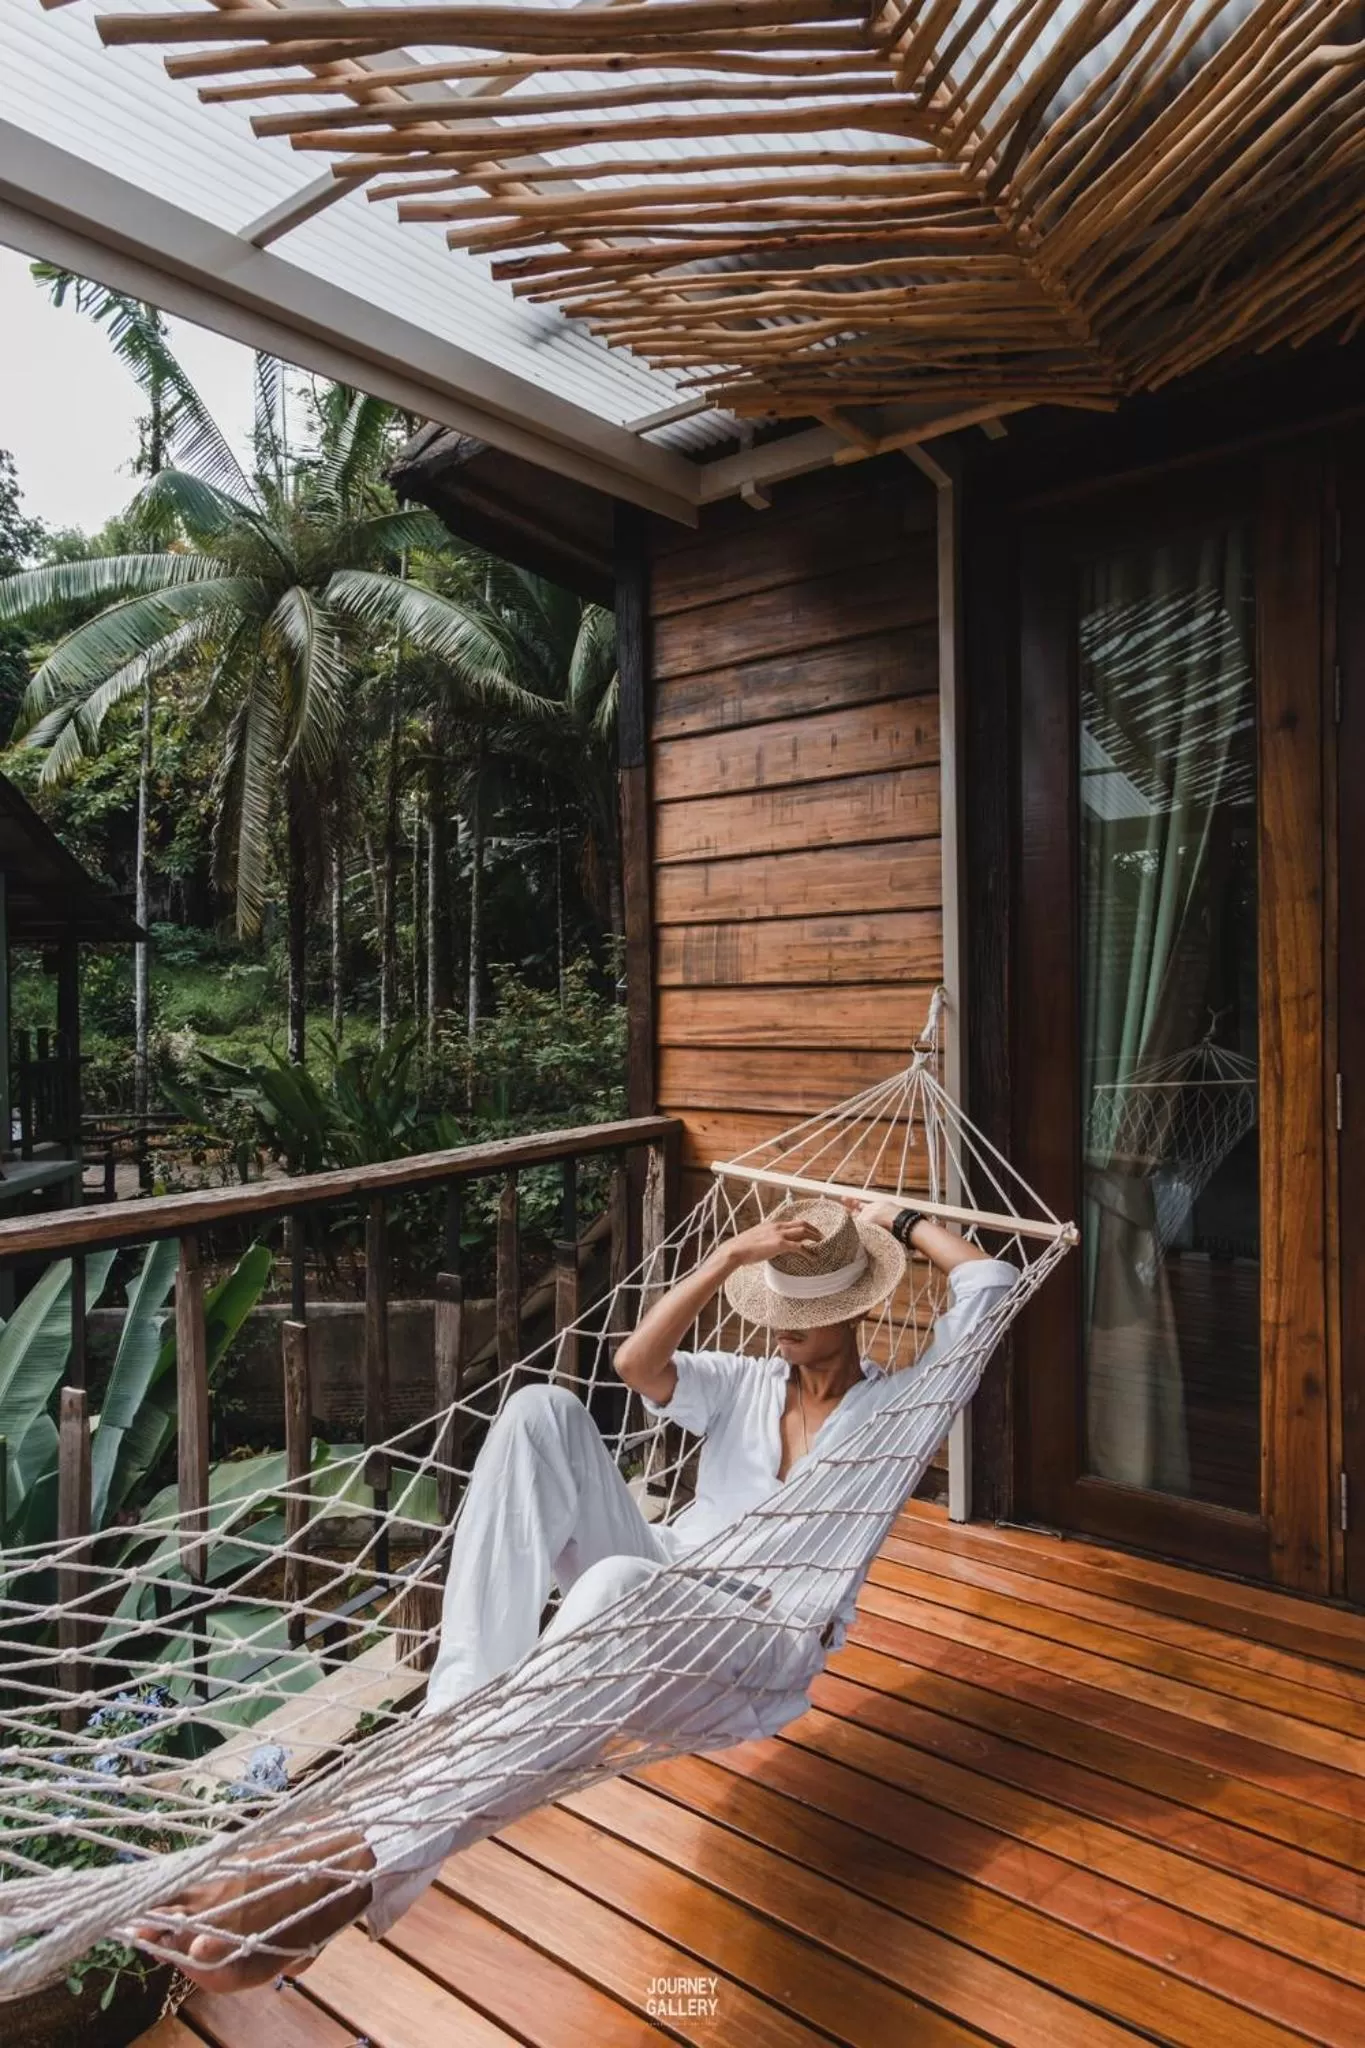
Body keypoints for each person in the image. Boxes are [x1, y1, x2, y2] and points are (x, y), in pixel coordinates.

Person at [137, 1194, 1014, 1991]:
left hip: (759, 1639)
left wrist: (892, 1221)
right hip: (660, 1585)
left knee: (616, 1583)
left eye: (808, 1313)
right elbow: (637, 1362)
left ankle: (353, 1855)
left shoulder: (900, 1413)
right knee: (537, 1413)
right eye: (778, 1306)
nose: (784, 1327)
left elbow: (989, 1282)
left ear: (857, 1310)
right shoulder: (746, 1383)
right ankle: (453, 1725)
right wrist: (727, 1261)